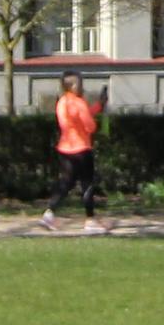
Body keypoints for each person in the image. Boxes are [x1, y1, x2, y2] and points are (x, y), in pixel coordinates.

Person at [41, 76, 107, 233]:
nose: (82, 86)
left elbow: (78, 117)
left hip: (65, 148)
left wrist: (98, 106)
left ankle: (49, 214)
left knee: (66, 183)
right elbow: (89, 125)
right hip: (82, 149)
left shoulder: (63, 102)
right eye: (79, 83)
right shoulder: (79, 102)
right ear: (70, 86)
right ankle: (90, 220)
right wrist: (96, 123)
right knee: (87, 184)